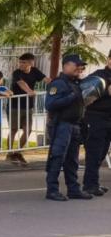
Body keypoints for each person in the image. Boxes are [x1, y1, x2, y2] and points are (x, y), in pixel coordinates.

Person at [44, 55, 91, 201]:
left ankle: (73, 189)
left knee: (72, 160)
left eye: (81, 66)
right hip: (61, 125)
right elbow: (50, 105)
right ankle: (52, 190)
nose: (79, 68)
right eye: (76, 65)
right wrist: (72, 96)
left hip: (74, 125)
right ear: (65, 66)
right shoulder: (58, 84)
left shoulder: (76, 83)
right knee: (57, 157)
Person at [8, 53, 49, 165]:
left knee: (28, 130)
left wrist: (57, 85)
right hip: (15, 106)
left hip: (28, 106)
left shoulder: (35, 71)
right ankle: (9, 153)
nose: (20, 64)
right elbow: (21, 83)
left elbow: (46, 79)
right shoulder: (17, 72)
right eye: (20, 62)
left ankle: (17, 152)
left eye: (24, 62)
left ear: (31, 63)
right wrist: (29, 91)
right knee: (13, 130)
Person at [82, 49, 111, 196]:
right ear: (108, 59)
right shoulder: (99, 75)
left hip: (108, 119)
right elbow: (85, 93)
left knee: (103, 152)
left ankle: (94, 182)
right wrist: (106, 91)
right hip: (96, 118)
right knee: (95, 152)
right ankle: (89, 185)